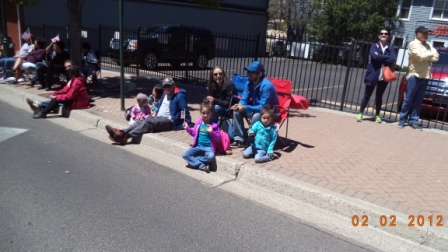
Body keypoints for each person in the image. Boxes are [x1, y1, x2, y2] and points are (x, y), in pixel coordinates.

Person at [105, 77, 192, 145]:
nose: (167, 88)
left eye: (169, 85)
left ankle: (124, 137)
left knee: (148, 122)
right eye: (165, 86)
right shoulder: (165, 94)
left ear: (173, 85)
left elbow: (183, 109)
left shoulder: (179, 96)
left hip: (169, 121)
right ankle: (121, 132)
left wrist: (186, 122)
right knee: (142, 122)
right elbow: (159, 104)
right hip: (158, 117)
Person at [229, 61, 279, 148]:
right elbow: (244, 98)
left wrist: (244, 107)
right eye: (248, 72)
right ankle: (239, 140)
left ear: (259, 74)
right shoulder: (249, 83)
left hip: (270, 112)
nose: (248, 74)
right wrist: (239, 106)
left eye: (251, 73)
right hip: (256, 108)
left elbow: (262, 107)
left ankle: (251, 141)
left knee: (256, 116)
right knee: (236, 112)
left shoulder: (267, 86)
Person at [398, 26, 439, 130]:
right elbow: (419, 56)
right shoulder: (413, 44)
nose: (427, 35)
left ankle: (414, 121)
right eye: (424, 33)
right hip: (414, 76)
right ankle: (402, 120)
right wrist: (429, 55)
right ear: (418, 34)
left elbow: (436, 57)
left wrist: (427, 55)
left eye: (427, 33)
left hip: (425, 76)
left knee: (418, 100)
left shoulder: (429, 45)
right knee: (409, 99)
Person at [357, 28, 396, 123]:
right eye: (381, 33)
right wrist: (385, 57)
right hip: (373, 74)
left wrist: (380, 57)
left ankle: (377, 115)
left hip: (384, 75)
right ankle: (360, 113)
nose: (383, 35)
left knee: (379, 96)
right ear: (379, 36)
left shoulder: (390, 48)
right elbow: (374, 56)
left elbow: (392, 59)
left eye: (386, 33)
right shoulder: (374, 46)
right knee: (367, 94)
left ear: (388, 36)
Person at [182, 99, 221, 173]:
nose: (205, 115)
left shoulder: (214, 125)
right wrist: (187, 128)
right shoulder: (198, 122)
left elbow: (218, 138)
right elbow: (194, 134)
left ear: (211, 113)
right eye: (203, 113)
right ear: (200, 112)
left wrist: (212, 132)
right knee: (185, 154)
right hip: (198, 146)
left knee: (211, 156)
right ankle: (201, 166)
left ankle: (194, 162)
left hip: (208, 148)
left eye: (207, 113)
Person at [206, 66, 238, 139]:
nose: (218, 76)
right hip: (219, 107)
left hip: (230, 108)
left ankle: (213, 128)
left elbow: (228, 103)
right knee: (209, 107)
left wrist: (214, 100)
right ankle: (210, 128)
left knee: (216, 107)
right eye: (215, 74)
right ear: (212, 76)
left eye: (220, 74)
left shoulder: (229, 84)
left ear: (223, 74)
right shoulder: (212, 85)